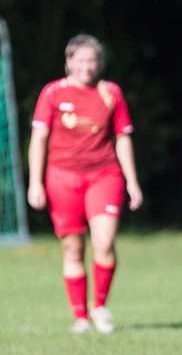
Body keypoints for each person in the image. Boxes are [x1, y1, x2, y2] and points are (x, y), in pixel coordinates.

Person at [27, 34, 143, 333]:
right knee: (73, 248)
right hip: (62, 177)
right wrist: (35, 182)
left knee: (104, 241)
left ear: (99, 63)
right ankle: (80, 317)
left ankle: (100, 306)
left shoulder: (111, 93)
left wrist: (132, 181)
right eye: (80, 60)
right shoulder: (52, 93)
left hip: (104, 175)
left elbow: (122, 138)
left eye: (92, 60)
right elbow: (39, 140)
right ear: (69, 62)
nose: (86, 66)